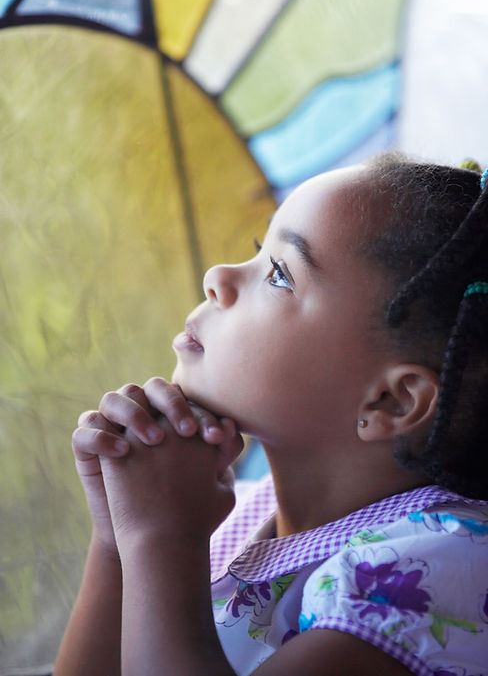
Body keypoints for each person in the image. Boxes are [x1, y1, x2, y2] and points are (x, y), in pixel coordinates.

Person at [54, 154, 488, 676]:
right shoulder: (239, 510)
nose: (218, 276)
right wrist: (117, 537)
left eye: (280, 274)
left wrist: (160, 541)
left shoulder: (436, 570)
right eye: (259, 252)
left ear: (390, 403)